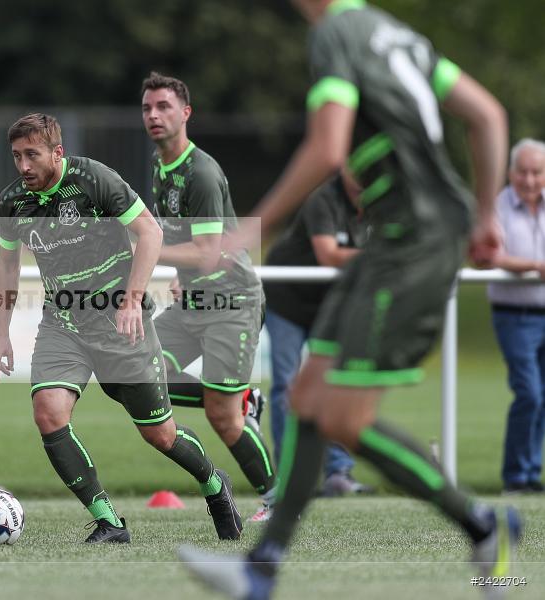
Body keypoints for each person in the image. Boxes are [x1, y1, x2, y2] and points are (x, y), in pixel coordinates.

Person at [179, 1, 519, 598]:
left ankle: (484, 523)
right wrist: (486, 214)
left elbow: (327, 148)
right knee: (309, 396)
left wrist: (249, 228)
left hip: (412, 241)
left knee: (344, 417)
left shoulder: (334, 32)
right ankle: (261, 571)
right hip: (404, 235)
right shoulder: (395, 33)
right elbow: (487, 116)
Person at [0, 112, 242, 543]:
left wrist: (132, 299)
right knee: (48, 413)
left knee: (159, 434)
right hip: (63, 322)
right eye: (16, 156)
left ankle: (215, 485)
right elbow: (7, 265)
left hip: (120, 323)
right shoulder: (13, 202)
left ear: (57, 152)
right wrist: (0, 332)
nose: (23, 166)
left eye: (32, 155)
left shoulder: (93, 179)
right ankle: (109, 520)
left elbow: (150, 234)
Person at [141, 72, 277, 522]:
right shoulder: (160, 167)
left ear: (186, 113)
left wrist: (148, 251)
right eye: (147, 108)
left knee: (223, 419)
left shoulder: (199, 172)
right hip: (193, 303)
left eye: (164, 106)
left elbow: (206, 252)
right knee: (137, 371)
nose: (154, 115)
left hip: (232, 303)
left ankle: (277, 501)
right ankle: (239, 397)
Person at [263, 170, 373, 496]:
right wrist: (382, 257)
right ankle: (290, 477)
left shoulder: (383, 201)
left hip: (329, 304)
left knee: (337, 384)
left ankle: (338, 473)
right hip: (286, 298)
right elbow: (329, 254)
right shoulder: (323, 199)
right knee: (287, 384)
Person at [488, 138, 545, 494]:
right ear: (511, 173)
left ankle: (529, 472)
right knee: (529, 393)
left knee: (544, 396)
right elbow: (491, 254)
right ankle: (515, 475)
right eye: (522, 171)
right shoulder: (497, 208)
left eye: (536, 172)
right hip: (514, 315)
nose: (529, 179)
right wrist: (535, 266)